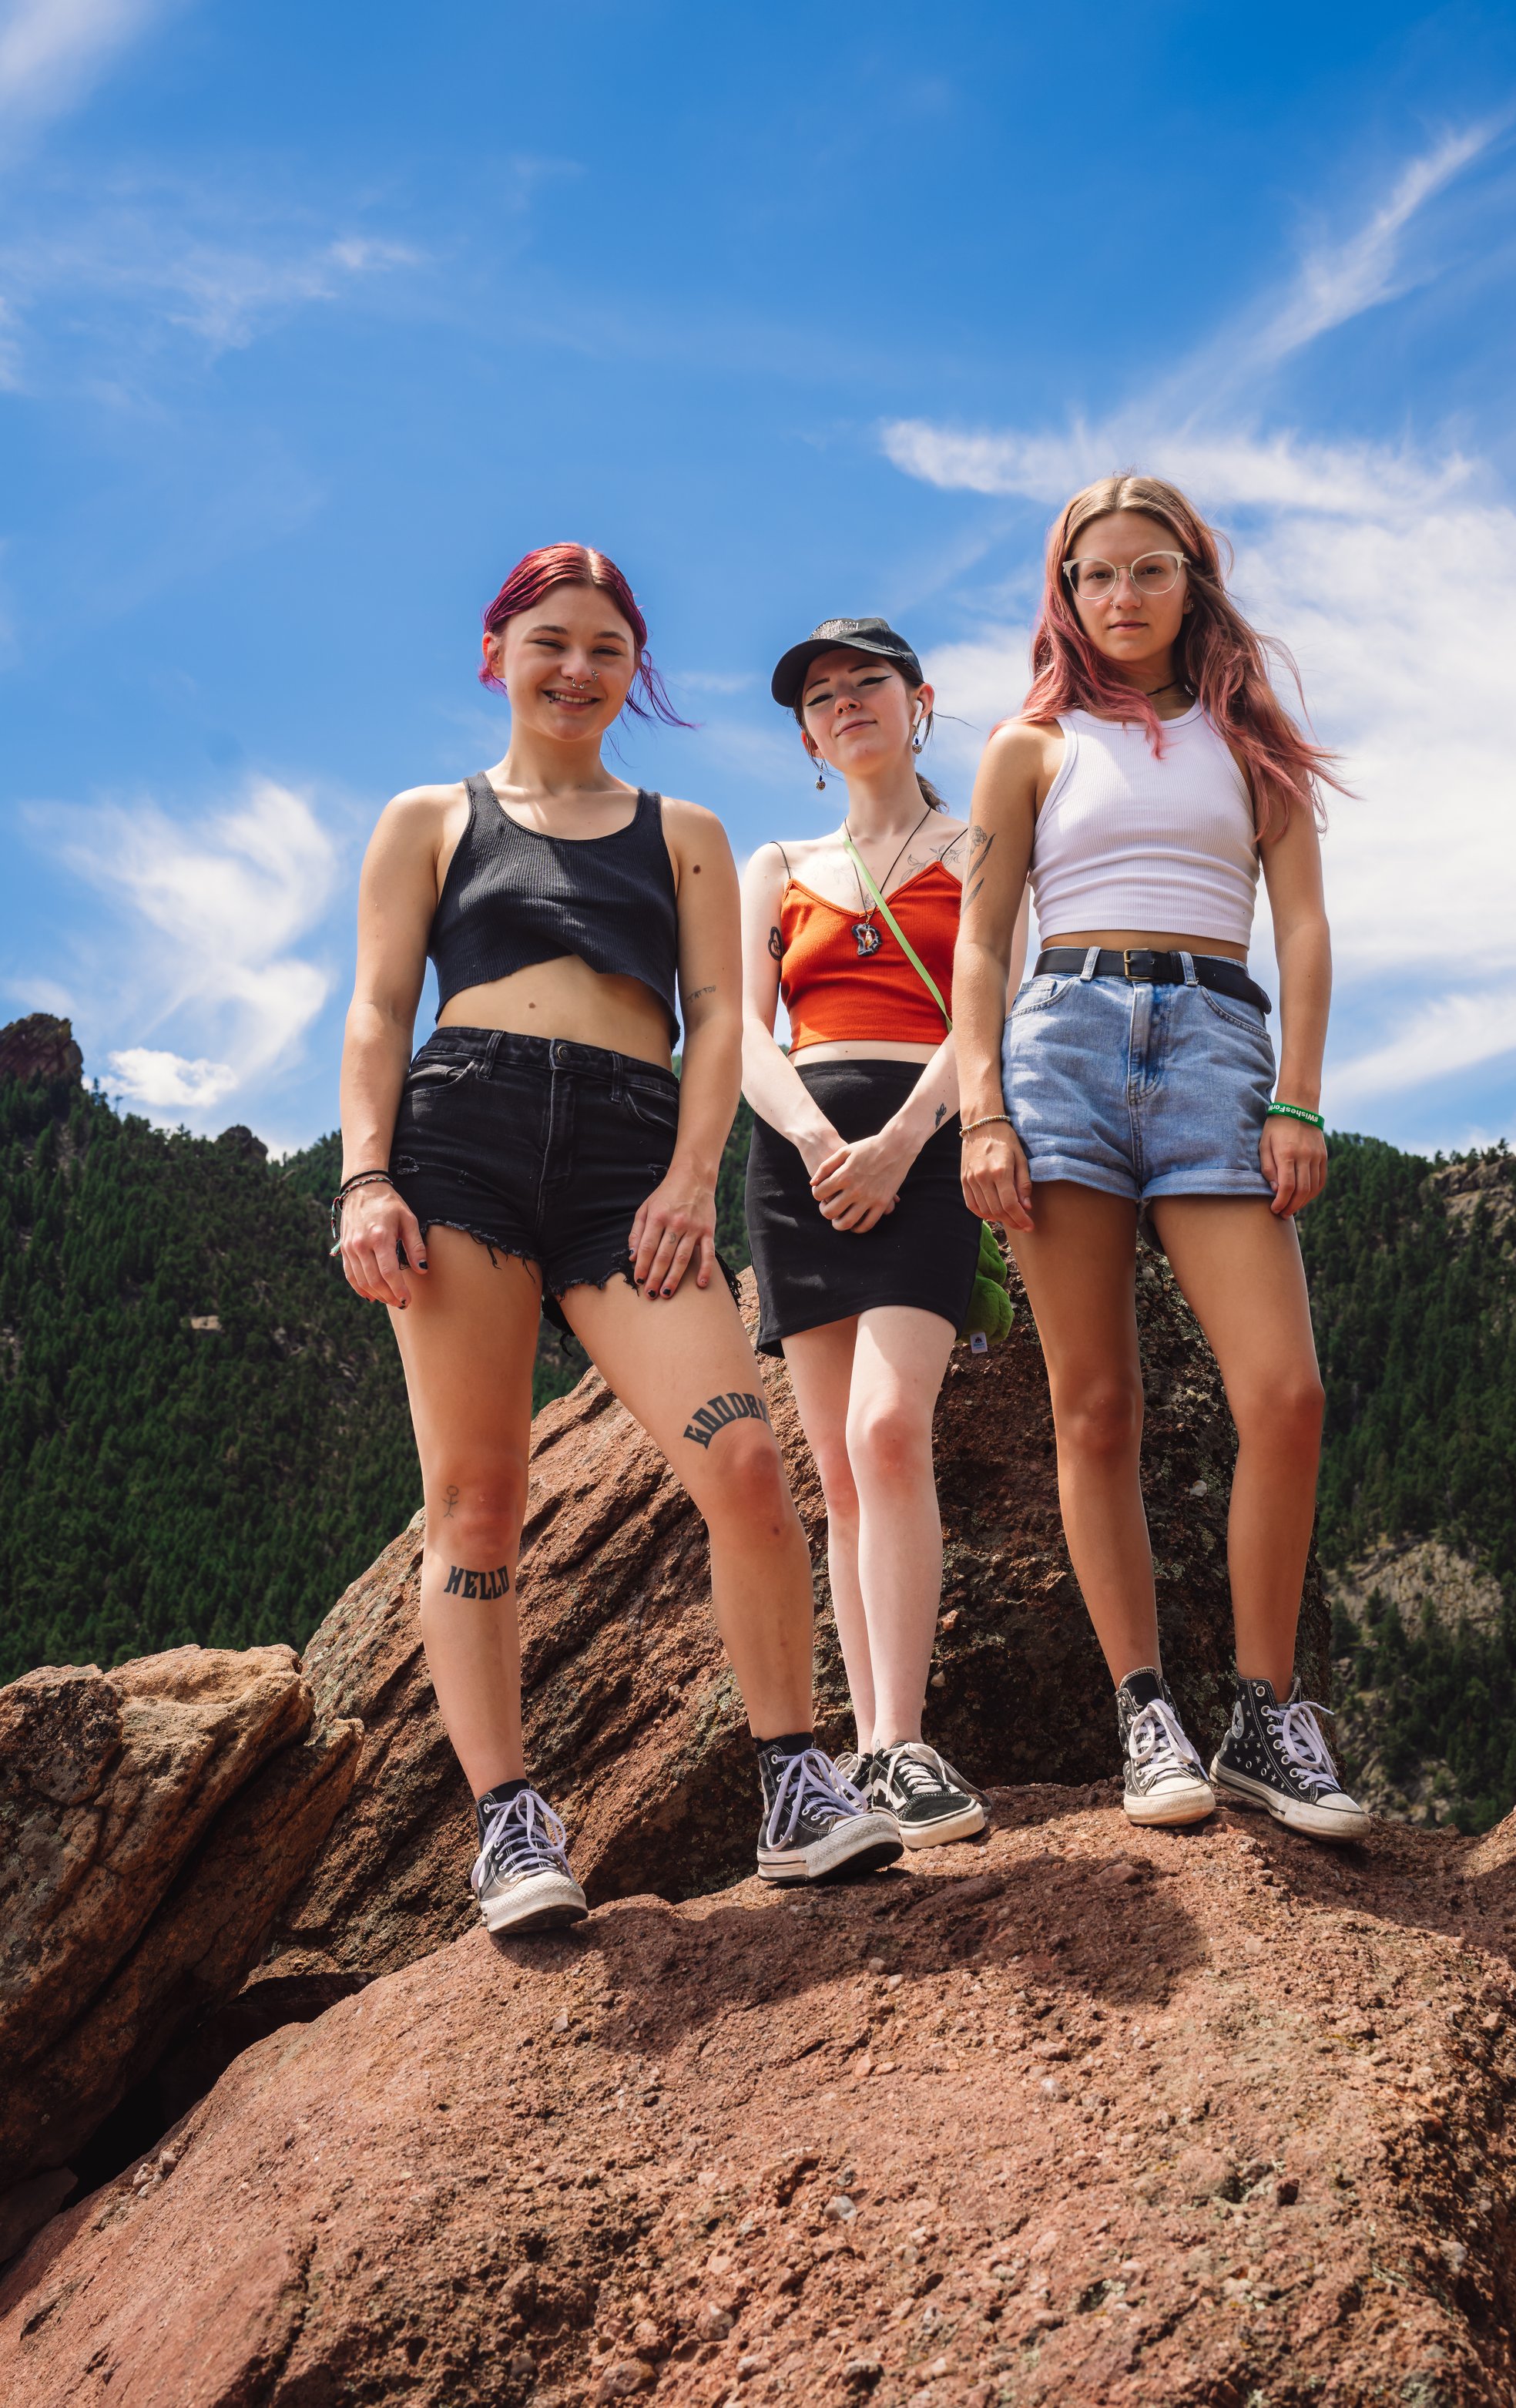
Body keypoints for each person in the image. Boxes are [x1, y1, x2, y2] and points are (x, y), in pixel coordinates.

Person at [334, 545, 899, 1936]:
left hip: (630, 1160)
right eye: (550, 642)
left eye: (604, 647)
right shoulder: (430, 820)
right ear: (496, 654)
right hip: (459, 1143)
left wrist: (689, 1176)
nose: (576, 669)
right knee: (475, 1502)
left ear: (634, 670)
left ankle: (793, 1781)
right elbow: (376, 1012)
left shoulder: (686, 832)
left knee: (749, 1459)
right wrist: (363, 1179)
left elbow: (722, 1016)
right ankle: (511, 1821)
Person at [952, 475, 1370, 1840]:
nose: (1120, 596)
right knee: (1095, 1406)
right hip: (1061, 1041)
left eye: (1147, 570)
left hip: (1214, 1052)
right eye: (1093, 576)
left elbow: (1302, 930)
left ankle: (1264, 1711)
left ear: (1194, 579)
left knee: (1287, 1393)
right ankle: (1147, 1712)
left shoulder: (1252, 747)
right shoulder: (1028, 746)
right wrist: (981, 1110)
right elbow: (980, 938)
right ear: (1063, 594)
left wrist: (1298, 1099)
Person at [739, 617, 1008, 1845]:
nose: (844, 703)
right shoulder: (776, 861)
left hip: (930, 1142)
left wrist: (899, 1143)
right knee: (840, 1470)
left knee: (890, 1428)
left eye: (867, 684)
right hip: (800, 1156)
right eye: (822, 696)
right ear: (805, 734)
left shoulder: (980, 846)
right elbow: (738, 1030)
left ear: (920, 702)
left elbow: (987, 1008)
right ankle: (868, 1748)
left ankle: (902, 1739)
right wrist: (812, 1143)